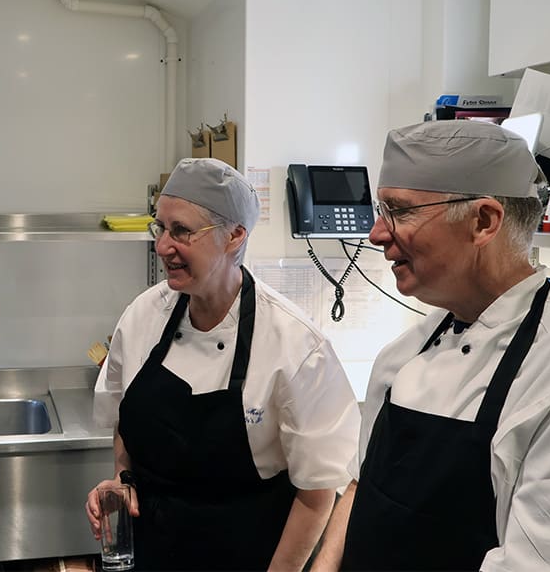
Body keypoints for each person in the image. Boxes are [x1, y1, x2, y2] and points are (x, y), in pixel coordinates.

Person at [310, 120, 550, 572]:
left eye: (399, 212)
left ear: (483, 221)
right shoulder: (406, 350)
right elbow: (360, 483)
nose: (376, 233)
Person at [86, 158, 360, 571]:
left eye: (182, 231)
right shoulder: (144, 315)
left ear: (235, 236)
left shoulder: (295, 345)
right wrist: (123, 483)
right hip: (151, 553)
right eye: (160, 227)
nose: (162, 246)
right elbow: (124, 421)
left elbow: (317, 493)